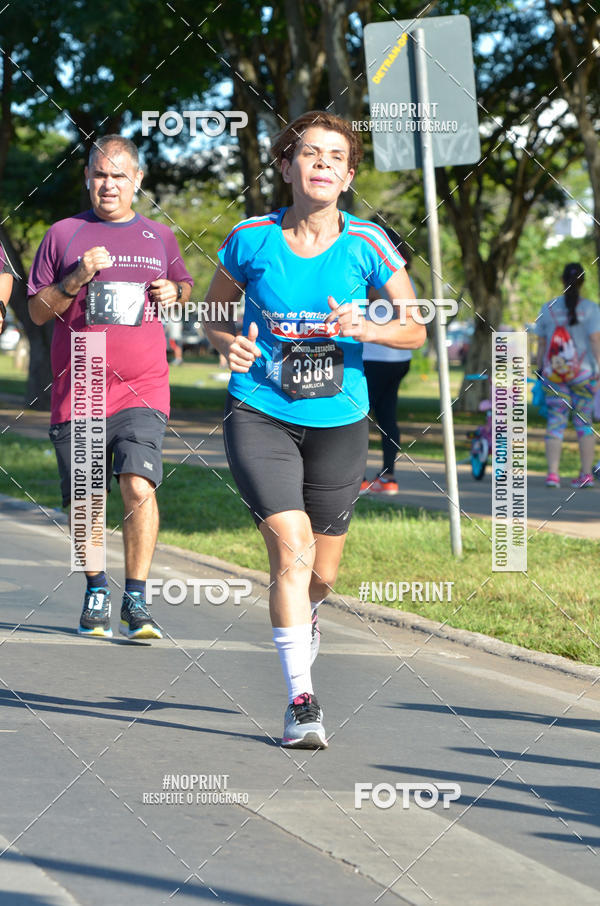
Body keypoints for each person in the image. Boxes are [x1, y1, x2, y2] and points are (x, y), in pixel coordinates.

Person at [203, 111, 425, 748]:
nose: (323, 163)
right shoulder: (250, 238)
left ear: (348, 176)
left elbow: (415, 327)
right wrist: (223, 342)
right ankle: (301, 700)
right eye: (309, 153)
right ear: (285, 166)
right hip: (260, 410)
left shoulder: (368, 243)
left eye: (336, 157)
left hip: (340, 420)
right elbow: (215, 312)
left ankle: (309, 613)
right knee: (292, 552)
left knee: (321, 574)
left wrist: (369, 327)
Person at [28, 135, 193, 639]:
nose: (109, 184)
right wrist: (76, 277)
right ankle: (97, 588)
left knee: (138, 484)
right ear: (87, 178)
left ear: (137, 179)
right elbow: (37, 312)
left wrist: (175, 290)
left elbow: (184, 287)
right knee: (86, 498)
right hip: (80, 384)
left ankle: (137, 599)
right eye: (100, 174)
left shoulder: (159, 237)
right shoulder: (63, 234)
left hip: (143, 386)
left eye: (119, 175)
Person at [534, 262, 600, 488]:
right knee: (584, 424)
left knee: (555, 423)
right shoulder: (591, 309)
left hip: (554, 376)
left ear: (562, 280)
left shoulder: (548, 308)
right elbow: (595, 341)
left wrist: (539, 367)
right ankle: (586, 475)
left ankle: (553, 475)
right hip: (585, 375)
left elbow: (541, 343)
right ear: (583, 282)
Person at [360, 230, 414, 495]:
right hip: (399, 358)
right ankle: (388, 476)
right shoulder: (407, 279)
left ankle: (358, 477)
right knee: (387, 416)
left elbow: (369, 296)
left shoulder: (382, 276)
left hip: (375, 357)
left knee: (358, 417)